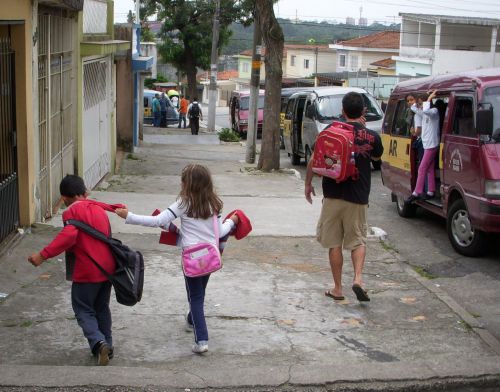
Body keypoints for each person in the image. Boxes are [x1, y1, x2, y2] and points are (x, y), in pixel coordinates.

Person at [115, 164, 239, 354]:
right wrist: (233, 221)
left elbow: (158, 221)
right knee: (199, 293)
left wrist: (128, 216)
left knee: (195, 296)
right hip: (210, 256)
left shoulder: (183, 203)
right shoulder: (214, 204)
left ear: (187, 184)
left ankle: (202, 340)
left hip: (191, 258)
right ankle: (191, 318)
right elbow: (219, 231)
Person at [27, 175, 117, 366]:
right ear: (85, 192)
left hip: (87, 270)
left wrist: (42, 255)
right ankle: (108, 346)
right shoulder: (98, 209)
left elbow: (67, 237)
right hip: (107, 269)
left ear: (64, 198)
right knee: (101, 307)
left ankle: (99, 343)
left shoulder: (72, 212)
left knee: (83, 308)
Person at [304, 92, 383, 302]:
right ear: (364, 111)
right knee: (357, 240)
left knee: (334, 244)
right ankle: (357, 279)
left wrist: (308, 183)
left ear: (342, 110)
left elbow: (314, 159)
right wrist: (363, 130)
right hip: (358, 198)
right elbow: (376, 156)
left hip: (332, 195)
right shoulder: (372, 136)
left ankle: (338, 288)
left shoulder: (330, 131)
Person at [406, 90, 441, 202]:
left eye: (421, 103)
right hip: (427, 144)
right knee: (429, 169)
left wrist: (429, 98)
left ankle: (417, 192)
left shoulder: (434, 112)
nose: (420, 106)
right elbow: (413, 108)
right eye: (420, 103)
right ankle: (430, 191)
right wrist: (418, 102)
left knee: (421, 168)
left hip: (432, 145)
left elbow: (426, 110)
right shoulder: (424, 112)